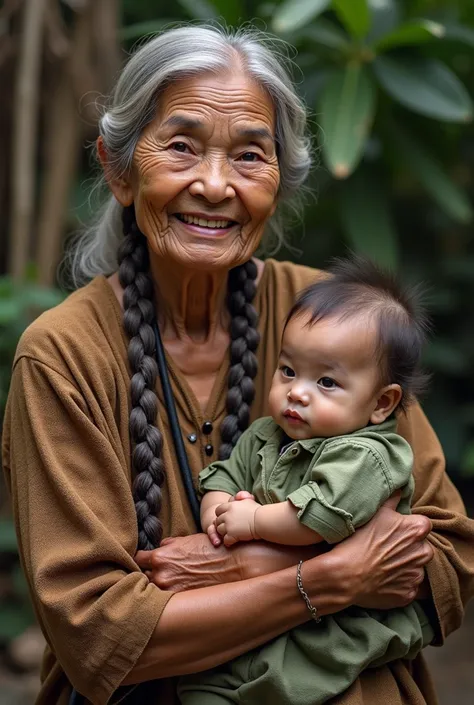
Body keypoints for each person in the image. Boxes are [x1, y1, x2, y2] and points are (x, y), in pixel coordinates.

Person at [2, 23, 473, 705]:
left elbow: (449, 553)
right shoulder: (63, 356)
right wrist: (333, 577)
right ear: (118, 168)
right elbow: (99, 631)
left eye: (250, 156)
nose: (216, 185)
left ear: (278, 183)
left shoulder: (329, 321)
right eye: (183, 146)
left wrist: (237, 562)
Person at [178, 256, 434, 705]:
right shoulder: (266, 433)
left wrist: (253, 522)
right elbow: (224, 474)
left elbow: (318, 516)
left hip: (336, 627)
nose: (297, 391)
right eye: (289, 371)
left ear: (381, 403)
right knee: (204, 687)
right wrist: (216, 514)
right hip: (274, 613)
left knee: (283, 687)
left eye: (327, 382)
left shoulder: (366, 455)